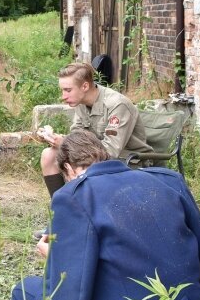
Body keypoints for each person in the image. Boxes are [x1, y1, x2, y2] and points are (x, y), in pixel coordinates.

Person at [12, 130, 200, 300]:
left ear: (68, 168)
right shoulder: (170, 180)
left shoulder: (73, 196)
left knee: (23, 292)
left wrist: (55, 256)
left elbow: (72, 290)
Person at [39, 62, 152, 198]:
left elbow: (110, 152)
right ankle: (61, 207)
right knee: (49, 155)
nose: (63, 96)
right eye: (62, 90)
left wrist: (64, 144)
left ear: (85, 86)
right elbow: (77, 137)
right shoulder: (82, 102)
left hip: (127, 161)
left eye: (68, 90)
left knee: (80, 168)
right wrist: (53, 138)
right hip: (95, 156)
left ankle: (80, 209)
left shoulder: (117, 104)